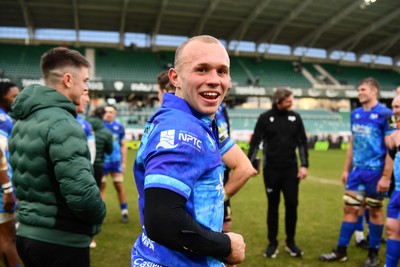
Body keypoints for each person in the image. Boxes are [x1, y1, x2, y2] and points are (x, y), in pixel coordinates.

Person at [131, 35, 246, 267]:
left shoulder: (193, 120)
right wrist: (225, 245)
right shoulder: (183, 129)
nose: (214, 80)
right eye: (201, 70)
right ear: (175, 78)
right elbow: (162, 220)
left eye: (221, 71)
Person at [9, 47, 106, 267]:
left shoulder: (24, 120)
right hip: (59, 240)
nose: (86, 87)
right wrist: (100, 214)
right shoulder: (62, 123)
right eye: (85, 81)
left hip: (27, 233)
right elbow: (82, 195)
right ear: (68, 79)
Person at [157, 71, 257, 234]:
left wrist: (219, 199)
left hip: (213, 182)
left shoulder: (206, 119)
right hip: (207, 187)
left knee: (221, 234)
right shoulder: (172, 122)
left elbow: (245, 168)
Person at [319, 77, 394, 267]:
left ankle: (373, 253)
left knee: (375, 212)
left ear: (374, 90)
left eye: (363, 89)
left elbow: (391, 149)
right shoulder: (355, 114)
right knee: (350, 209)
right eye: (358, 90)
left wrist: (386, 176)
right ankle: (341, 251)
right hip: (357, 172)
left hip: (376, 173)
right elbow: (352, 144)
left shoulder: (386, 114)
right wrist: (346, 169)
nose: (359, 92)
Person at [247, 87, 309, 258]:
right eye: (288, 101)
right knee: (272, 207)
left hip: (291, 171)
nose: (291, 104)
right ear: (278, 101)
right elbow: (255, 142)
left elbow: (302, 143)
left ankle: (290, 242)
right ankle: (272, 243)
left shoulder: (295, 118)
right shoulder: (265, 118)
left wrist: (304, 165)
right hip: (271, 171)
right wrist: (249, 163)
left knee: (292, 205)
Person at [86, 106, 113, 249]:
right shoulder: (106, 132)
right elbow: (109, 150)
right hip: (98, 166)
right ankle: (91, 231)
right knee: (93, 196)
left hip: (81, 164)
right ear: (103, 116)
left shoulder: (82, 123)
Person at [0, 81, 20, 267]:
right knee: (8, 239)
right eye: (13, 96)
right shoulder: (3, 120)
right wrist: (7, 188)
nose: (17, 100)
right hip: (2, 186)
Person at [101, 104, 129, 223]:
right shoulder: (99, 126)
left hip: (115, 161)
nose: (108, 113)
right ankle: (101, 214)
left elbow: (123, 145)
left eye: (111, 111)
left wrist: (123, 162)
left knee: (119, 186)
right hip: (102, 161)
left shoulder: (119, 127)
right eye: (106, 111)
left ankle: (124, 212)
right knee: (101, 187)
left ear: (115, 113)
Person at [384, 94, 400, 267]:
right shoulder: (395, 128)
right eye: (394, 107)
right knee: (392, 230)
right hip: (397, 190)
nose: (396, 111)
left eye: (398, 106)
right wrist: (392, 147)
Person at [76, 89, 96, 164]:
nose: (88, 100)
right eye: (85, 94)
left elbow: (91, 148)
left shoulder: (86, 125)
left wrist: (89, 168)